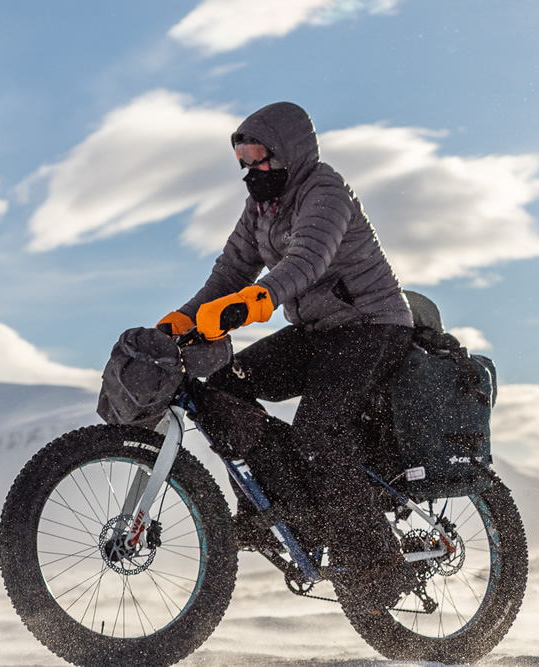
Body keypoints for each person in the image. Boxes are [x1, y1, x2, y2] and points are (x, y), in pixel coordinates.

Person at [157, 102, 414, 611]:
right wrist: (183, 320)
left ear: (290, 153)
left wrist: (257, 301)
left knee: (319, 433)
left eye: (260, 157)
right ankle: (278, 502)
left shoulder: (324, 190)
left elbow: (307, 259)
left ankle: (379, 565)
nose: (252, 170)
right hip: (320, 334)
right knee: (223, 384)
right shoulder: (261, 209)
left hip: (373, 326)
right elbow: (229, 274)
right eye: (244, 160)